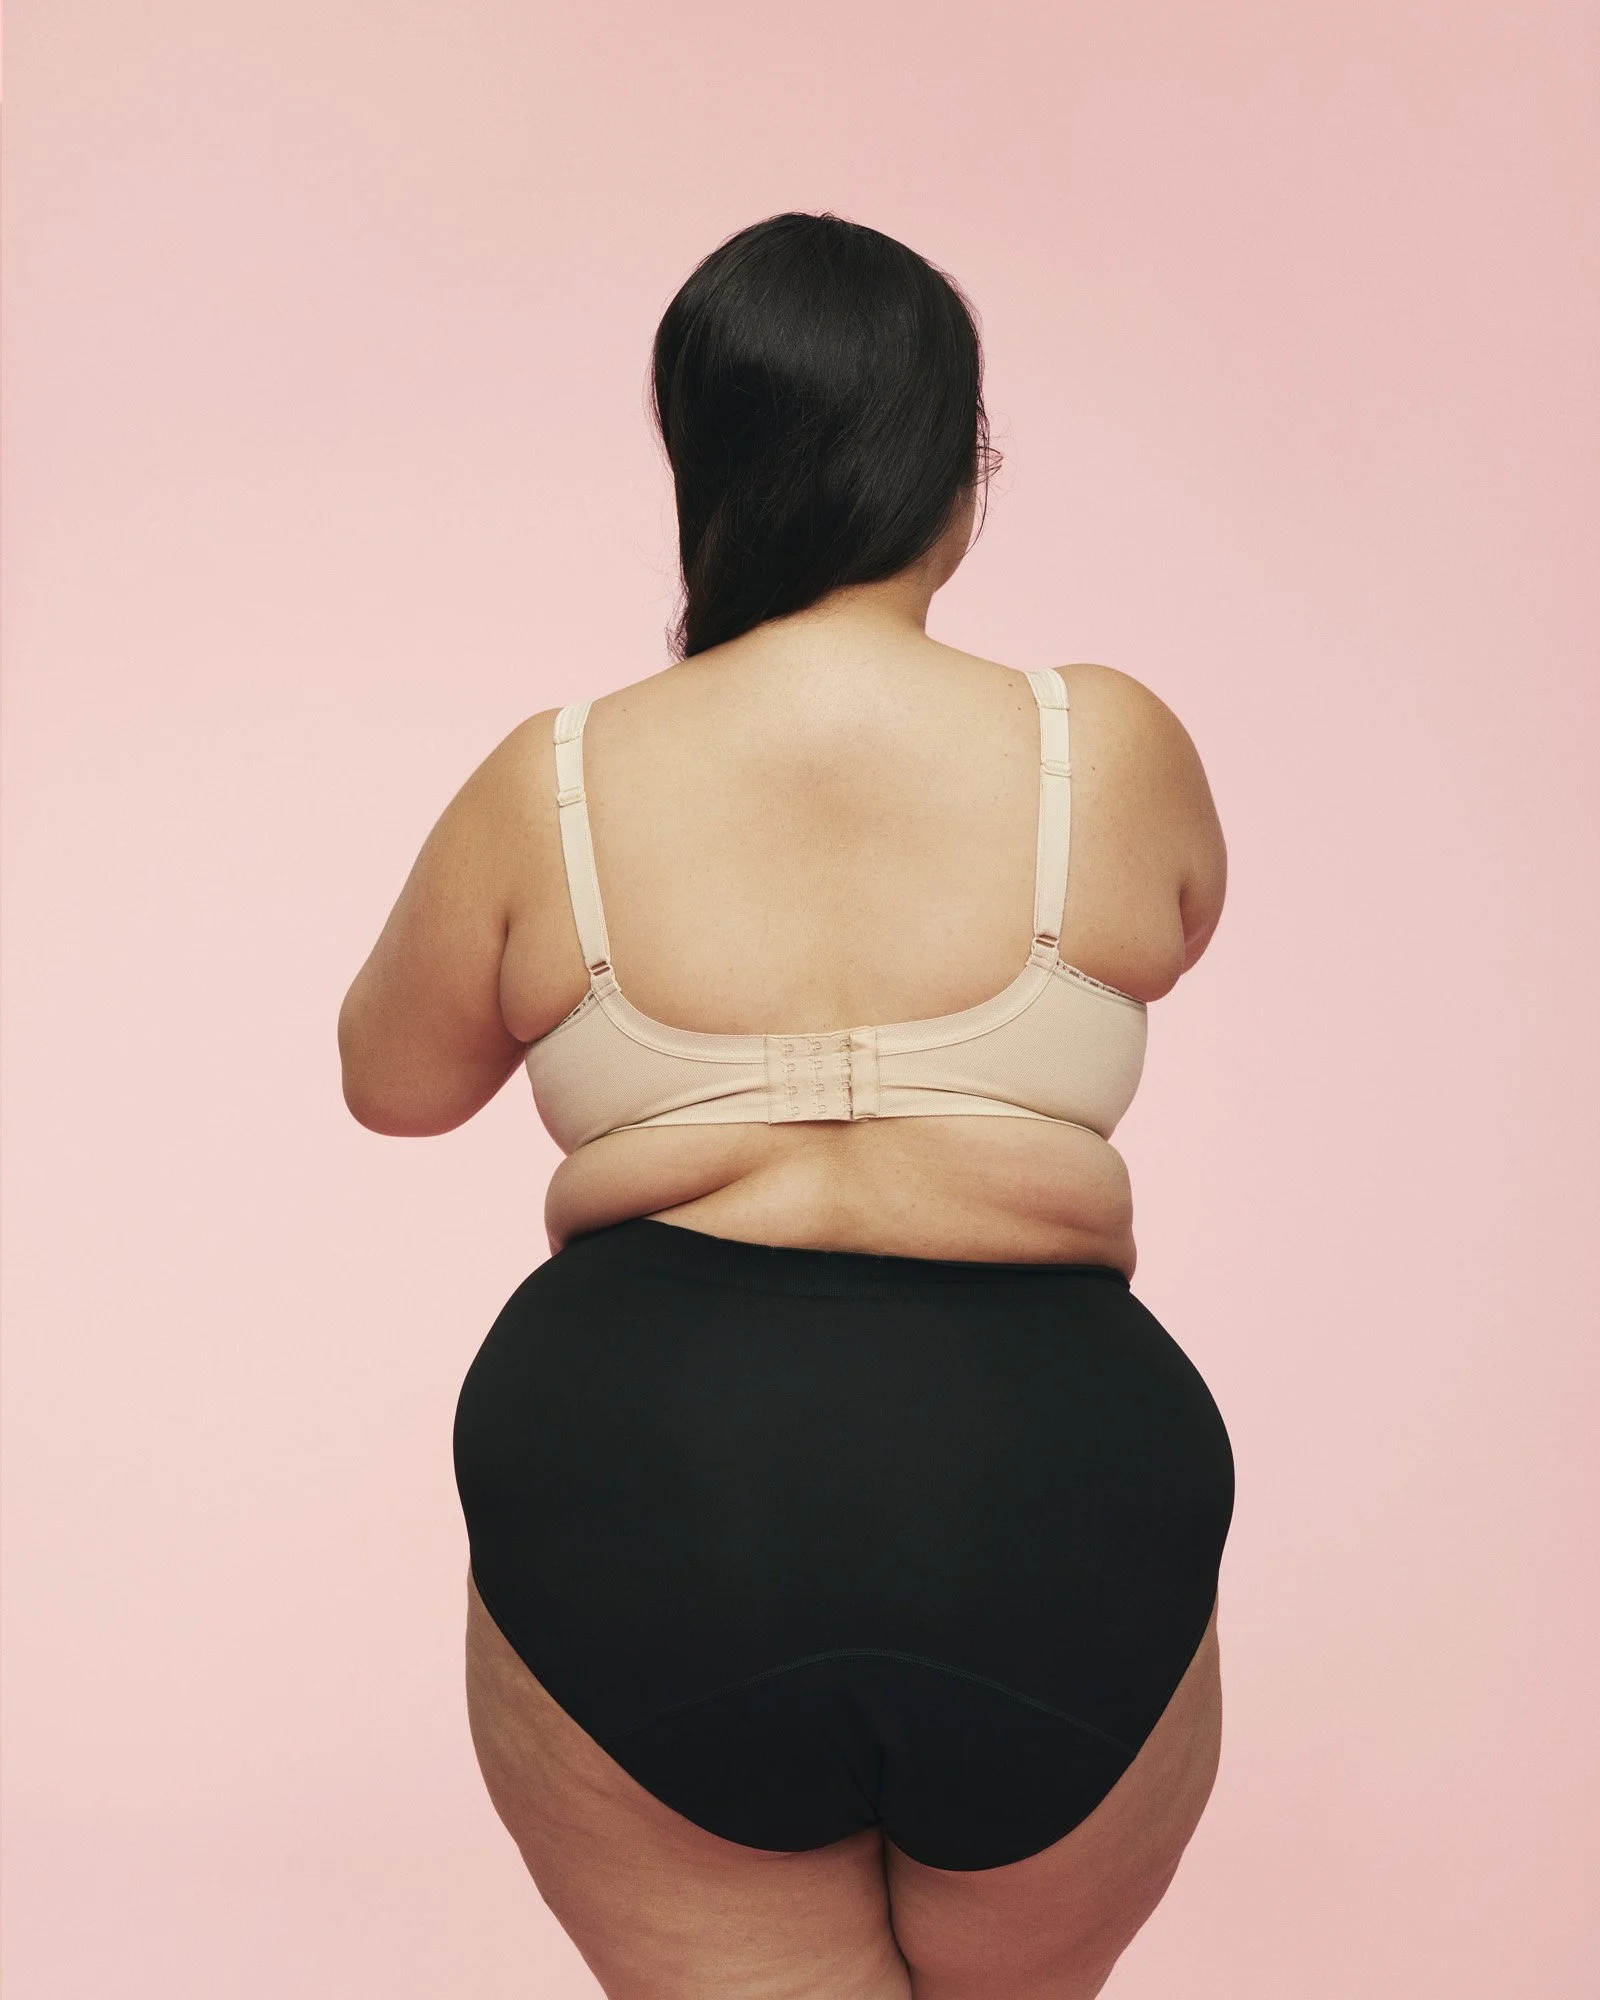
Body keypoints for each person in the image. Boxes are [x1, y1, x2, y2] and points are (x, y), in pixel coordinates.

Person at [339, 211, 1235, 2000]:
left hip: (651, 1491)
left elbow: (394, 1080)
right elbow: (1180, 927)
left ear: (704, 461)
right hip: (1045, 1492)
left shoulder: (558, 781)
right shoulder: (1104, 744)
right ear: (956, 467)